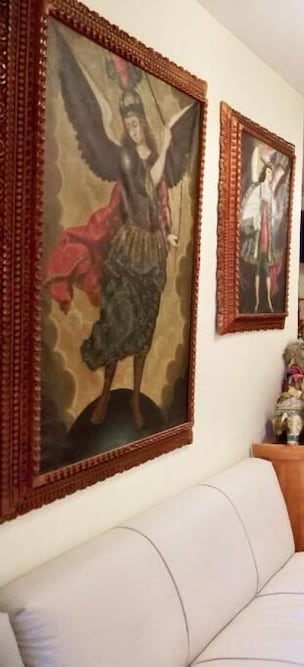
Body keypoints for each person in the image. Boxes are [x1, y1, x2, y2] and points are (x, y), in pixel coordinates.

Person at [43, 26, 199, 432]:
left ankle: (134, 398)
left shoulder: (152, 154)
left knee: (145, 326)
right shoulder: (124, 158)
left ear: (142, 122)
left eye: (135, 121)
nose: (132, 127)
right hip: (127, 247)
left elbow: (157, 196)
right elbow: (145, 183)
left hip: (153, 249)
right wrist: (167, 138)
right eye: (128, 122)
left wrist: (166, 232)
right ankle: (105, 394)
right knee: (117, 321)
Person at [240, 147, 286, 312]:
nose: (269, 175)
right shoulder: (258, 188)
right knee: (260, 269)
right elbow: (251, 206)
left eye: (271, 173)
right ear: (264, 173)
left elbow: (273, 213)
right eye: (267, 172)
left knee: (264, 268)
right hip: (259, 229)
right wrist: (256, 220)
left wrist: (272, 218)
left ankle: (266, 302)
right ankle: (259, 302)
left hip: (267, 230)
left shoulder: (270, 193)